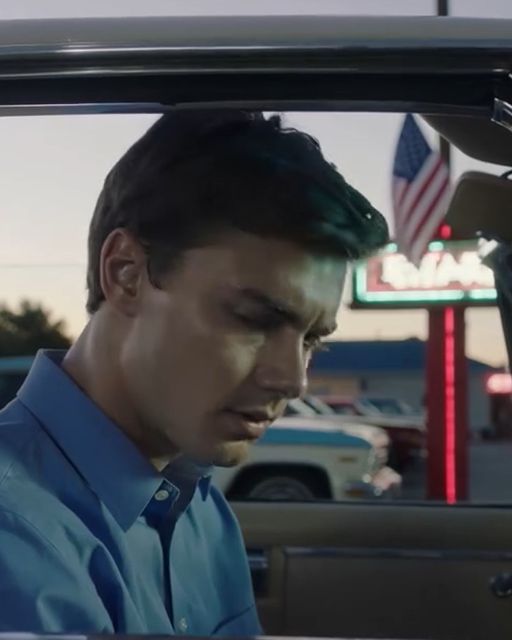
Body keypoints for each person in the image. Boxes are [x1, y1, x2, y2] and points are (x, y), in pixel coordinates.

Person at [0, 110, 388, 634]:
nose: (293, 380)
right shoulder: (15, 534)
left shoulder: (200, 505)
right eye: (254, 319)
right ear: (126, 273)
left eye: (312, 340)